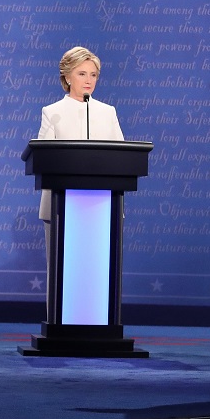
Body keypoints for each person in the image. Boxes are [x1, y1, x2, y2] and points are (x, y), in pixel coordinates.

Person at [36, 46, 125, 259]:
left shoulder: (107, 112)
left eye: (93, 75)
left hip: (103, 205)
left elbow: (123, 158)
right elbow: (42, 159)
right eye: (82, 73)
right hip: (61, 206)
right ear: (67, 77)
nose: (89, 80)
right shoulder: (52, 112)